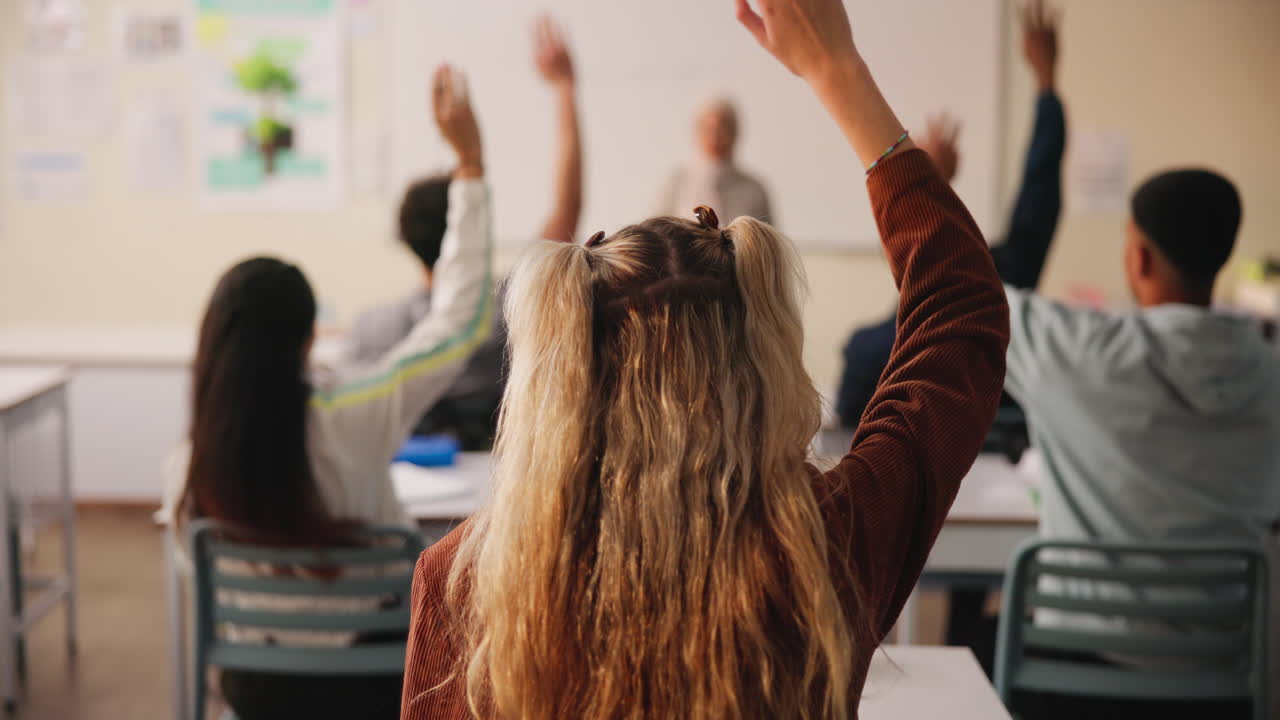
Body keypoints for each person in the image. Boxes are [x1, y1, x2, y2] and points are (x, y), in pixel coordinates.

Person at [400, 0, 1009, 717]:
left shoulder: (464, 580)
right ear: (761, 353)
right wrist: (837, 72)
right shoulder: (830, 540)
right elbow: (961, 310)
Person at [158, 65, 493, 720]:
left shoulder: (189, 465)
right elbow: (457, 319)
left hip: (259, 688)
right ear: (308, 338)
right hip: (376, 683)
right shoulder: (353, 411)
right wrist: (470, 165)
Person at [1004, 168, 1279, 719]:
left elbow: (951, 283)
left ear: (1140, 258)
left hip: (1071, 681)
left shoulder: (1075, 356)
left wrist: (927, 180)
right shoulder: (1271, 374)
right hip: (1220, 683)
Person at [345, 16, 583, 450]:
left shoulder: (374, 330)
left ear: (406, 238)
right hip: (495, 495)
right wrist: (565, 88)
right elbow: (567, 214)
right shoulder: (507, 316)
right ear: (476, 233)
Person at [835, 0, 1066, 429]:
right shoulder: (1005, 327)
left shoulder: (873, 355)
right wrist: (1046, 85)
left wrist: (926, 183)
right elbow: (1039, 202)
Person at [656, 96, 774, 224]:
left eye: (722, 129)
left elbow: (768, 240)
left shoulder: (754, 189)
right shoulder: (677, 181)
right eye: (708, 129)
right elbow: (655, 232)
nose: (715, 137)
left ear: (735, 133)